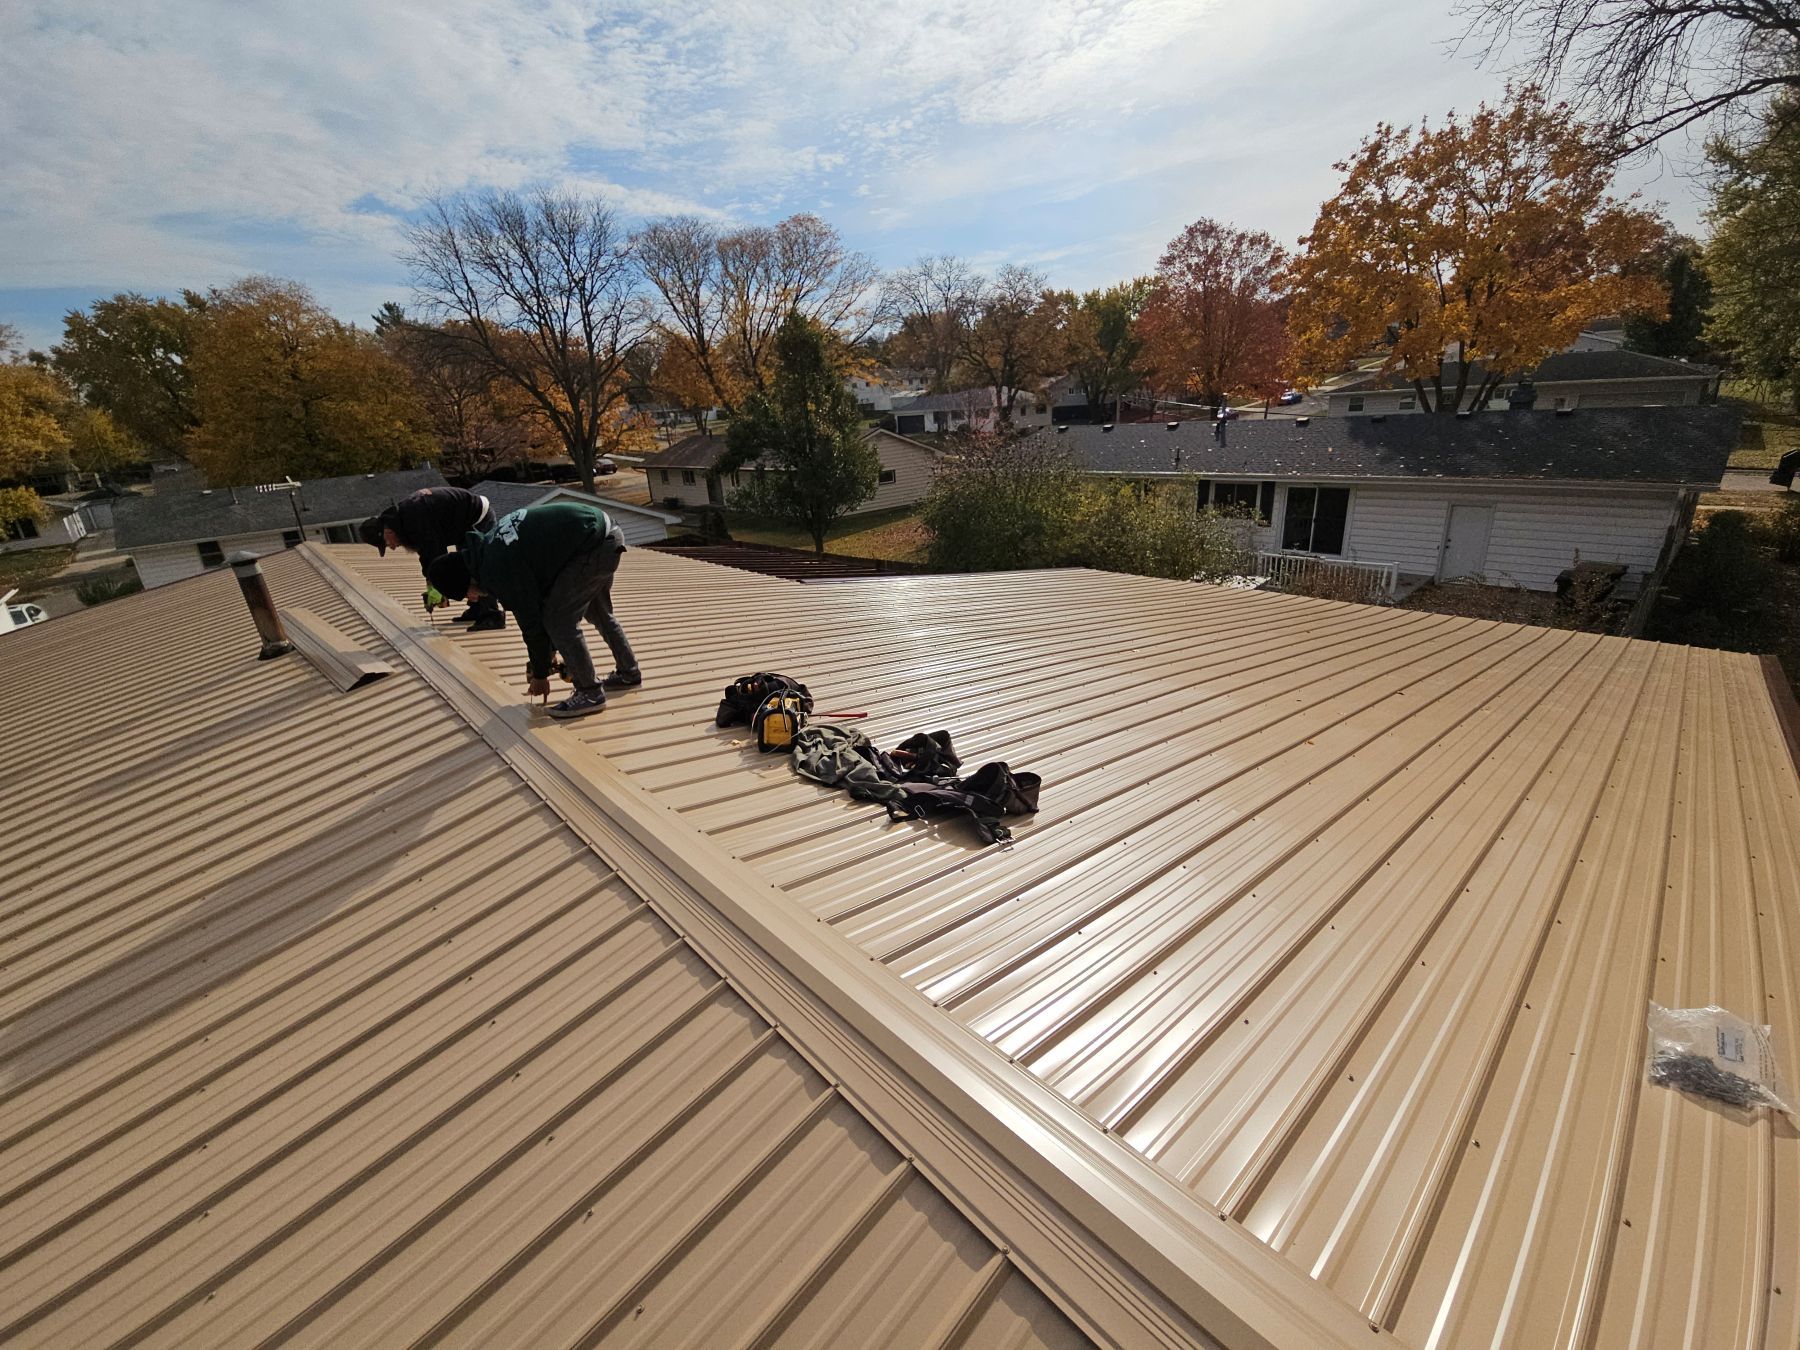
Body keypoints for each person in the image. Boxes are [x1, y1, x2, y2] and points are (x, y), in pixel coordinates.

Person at [426, 502, 641, 720]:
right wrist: (545, 659)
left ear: (464, 580)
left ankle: (590, 693)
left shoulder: (497, 570)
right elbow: (543, 598)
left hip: (592, 545)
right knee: (598, 613)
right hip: (603, 534)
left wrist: (540, 674)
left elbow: (533, 622)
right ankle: (628, 672)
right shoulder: (487, 548)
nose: (471, 598)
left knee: (559, 621)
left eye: (465, 593)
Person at [357, 486, 504, 630]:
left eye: (387, 544)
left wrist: (439, 586)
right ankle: (477, 608)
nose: (393, 547)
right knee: (466, 564)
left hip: (478, 517)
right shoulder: (403, 519)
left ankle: (492, 615)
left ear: (387, 531)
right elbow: (426, 554)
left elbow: (437, 555)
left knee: (478, 564)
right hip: (461, 523)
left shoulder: (413, 518)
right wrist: (432, 584)